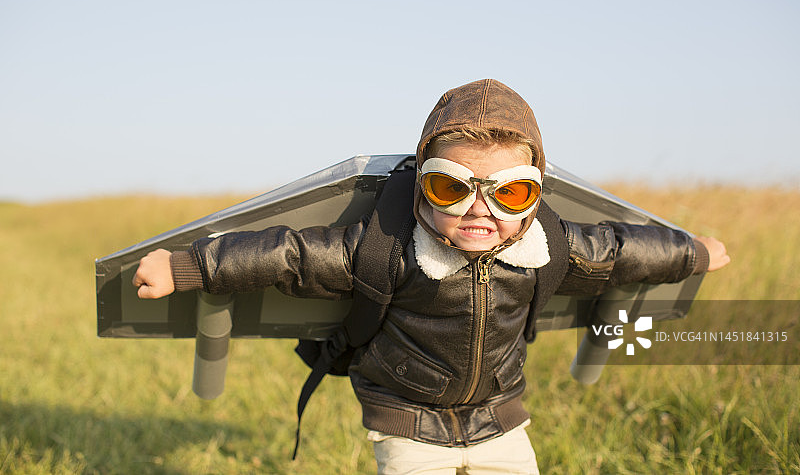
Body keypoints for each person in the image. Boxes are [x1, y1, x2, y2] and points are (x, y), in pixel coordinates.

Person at [133, 79, 730, 474]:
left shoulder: (550, 249)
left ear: (534, 196)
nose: (480, 211)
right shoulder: (384, 249)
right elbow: (287, 254)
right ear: (421, 186)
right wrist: (185, 266)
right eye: (452, 187)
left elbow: (624, 251)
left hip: (499, 413)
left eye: (512, 192)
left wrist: (692, 253)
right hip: (405, 415)